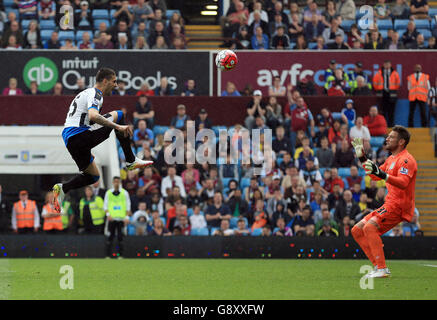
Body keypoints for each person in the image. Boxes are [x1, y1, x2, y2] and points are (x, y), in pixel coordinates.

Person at [51, 68, 153, 214]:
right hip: (79, 136)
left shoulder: (85, 93)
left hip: (71, 140)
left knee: (93, 176)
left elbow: (87, 119)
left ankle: (63, 188)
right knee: (119, 115)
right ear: (105, 81)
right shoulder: (96, 93)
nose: (116, 85)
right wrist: (117, 126)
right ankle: (130, 160)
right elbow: (93, 116)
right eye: (114, 81)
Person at [351, 126, 417, 278]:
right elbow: (375, 176)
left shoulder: (407, 160)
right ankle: (377, 267)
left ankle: (382, 268)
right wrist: (361, 156)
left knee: (370, 228)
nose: (387, 139)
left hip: (399, 205)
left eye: (392, 137)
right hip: (389, 204)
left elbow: (403, 183)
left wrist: (382, 174)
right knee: (357, 230)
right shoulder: (391, 159)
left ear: (401, 142)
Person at [104, 176, 131, 258]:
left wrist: (127, 217)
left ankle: (120, 255)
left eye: (118, 181)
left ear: (120, 183)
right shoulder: (108, 193)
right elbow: (105, 205)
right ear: (112, 182)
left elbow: (128, 205)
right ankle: (108, 255)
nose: (116, 183)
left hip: (121, 219)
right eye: (115, 181)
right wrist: (108, 215)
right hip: (112, 219)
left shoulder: (125, 193)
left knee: (120, 238)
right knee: (110, 238)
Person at [373, 60, 401, 127]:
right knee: (382, 111)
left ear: (390, 65)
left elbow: (398, 84)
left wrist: (392, 89)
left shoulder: (395, 73)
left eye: (388, 64)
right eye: (385, 64)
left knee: (391, 112)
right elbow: (375, 84)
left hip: (392, 94)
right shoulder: (378, 73)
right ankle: (383, 125)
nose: (387, 66)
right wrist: (380, 89)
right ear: (383, 65)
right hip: (382, 94)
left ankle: (391, 126)